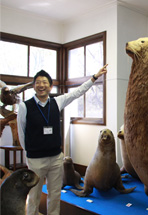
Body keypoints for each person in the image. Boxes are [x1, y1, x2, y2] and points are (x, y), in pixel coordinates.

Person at [17, 64, 108, 215]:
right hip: (35, 160)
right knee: (34, 195)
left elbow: (77, 92)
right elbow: (21, 133)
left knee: (55, 194)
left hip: (55, 158)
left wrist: (94, 77)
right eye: (38, 82)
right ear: (33, 86)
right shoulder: (24, 106)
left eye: (45, 82)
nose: (41, 85)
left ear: (50, 86)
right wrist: (28, 154)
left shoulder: (56, 102)